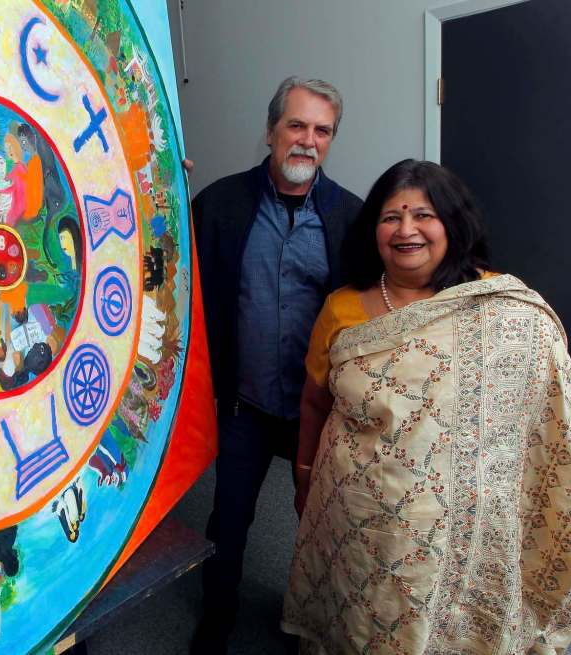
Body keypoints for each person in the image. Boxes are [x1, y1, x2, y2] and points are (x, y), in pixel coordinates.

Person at [283, 159, 571, 654]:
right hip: (358, 514)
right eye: (391, 217)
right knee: (360, 619)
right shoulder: (342, 306)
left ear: (452, 223)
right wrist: (303, 476)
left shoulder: (502, 307)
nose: (405, 230)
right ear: (373, 230)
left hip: (465, 530)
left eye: (423, 215)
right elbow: (315, 399)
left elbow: (548, 411)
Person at [190, 76, 362, 653]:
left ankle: (313, 626)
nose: (308, 140)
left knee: (325, 523)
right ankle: (216, 619)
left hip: (319, 410)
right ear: (270, 131)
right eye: (296, 125)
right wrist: (159, 188)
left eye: (322, 130)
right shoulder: (219, 205)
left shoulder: (352, 219)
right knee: (229, 519)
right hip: (246, 404)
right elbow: (172, 268)